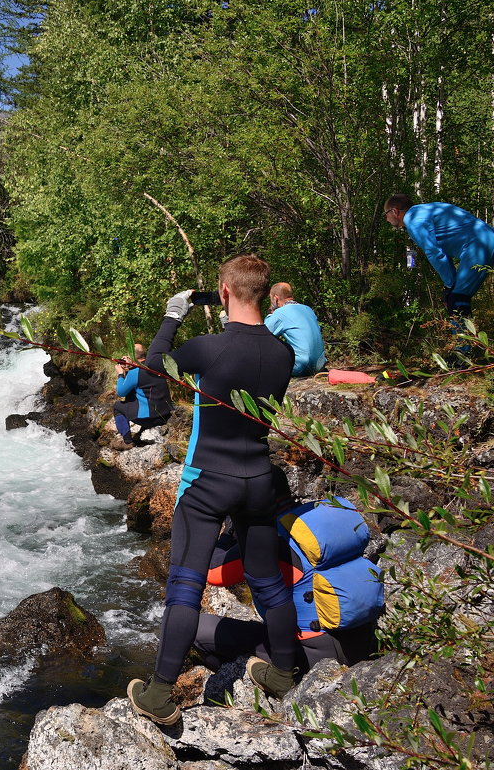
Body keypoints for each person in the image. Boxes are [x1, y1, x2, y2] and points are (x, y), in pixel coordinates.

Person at [126, 255, 297, 726]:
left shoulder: (209, 348)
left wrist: (172, 315)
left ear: (224, 292)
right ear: (263, 293)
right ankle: (282, 672)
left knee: (185, 585)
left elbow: (153, 368)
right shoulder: (284, 353)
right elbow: (249, 364)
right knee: (266, 580)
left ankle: (160, 694)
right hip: (259, 480)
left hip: (208, 481)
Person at [195, 468, 382, 677]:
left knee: (196, 629)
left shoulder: (271, 539)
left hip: (316, 656)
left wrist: (230, 531)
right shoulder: (316, 519)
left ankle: (256, 683)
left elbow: (212, 572)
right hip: (364, 637)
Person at [384, 194, 494, 318]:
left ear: (394, 211)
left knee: (457, 300)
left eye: (386, 214)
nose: (386, 219)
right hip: (487, 239)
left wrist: (449, 284)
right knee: (458, 296)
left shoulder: (413, 221)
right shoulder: (429, 208)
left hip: (478, 246)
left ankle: (461, 337)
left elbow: (434, 252)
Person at [111, 343, 172, 450]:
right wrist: (130, 366)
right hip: (166, 415)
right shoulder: (155, 366)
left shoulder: (135, 373)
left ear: (132, 357)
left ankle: (127, 442)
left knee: (117, 406)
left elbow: (121, 392)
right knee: (137, 394)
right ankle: (142, 431)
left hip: (151, 419)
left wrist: (121, 373)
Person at [264, 283, 326, 377]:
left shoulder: (280, 313)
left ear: (275, 298)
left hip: (301, 366)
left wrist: (270, 313)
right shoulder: (308, 309)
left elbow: (262, 334)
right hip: (319, 365)